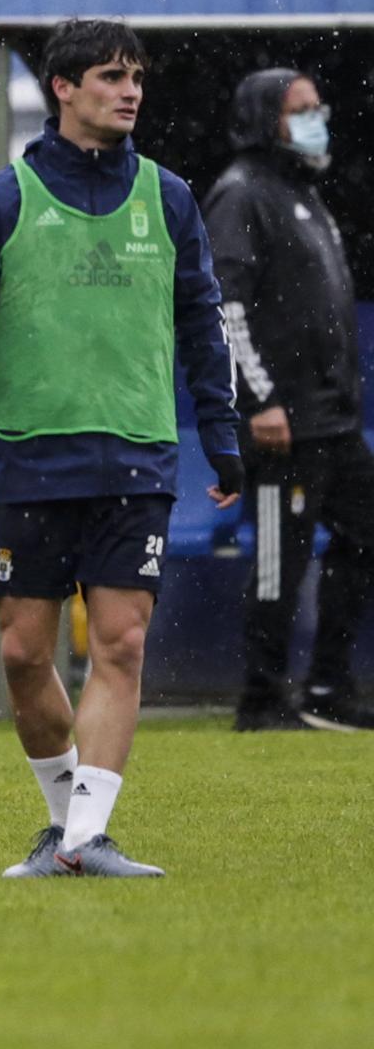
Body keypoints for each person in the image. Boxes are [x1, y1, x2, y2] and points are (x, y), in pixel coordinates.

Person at [0, 17, 242, 877]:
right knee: (24, 654)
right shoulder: (4, 198)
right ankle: (65, 827)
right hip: (29, 452)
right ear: (63, 88)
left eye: (136, 78)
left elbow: (204, 321)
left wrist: (223, 430)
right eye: (109, 77)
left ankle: (89, 837)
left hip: (137, 453)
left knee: (122, 642)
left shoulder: (167, 197)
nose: (129, 91)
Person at [206, 69, 374, 732]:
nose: (316, 118)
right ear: (263, 120)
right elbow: (227, 305)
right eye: (299, 110)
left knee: (367, 535)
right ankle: (262, 699)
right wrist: (260, 399)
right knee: (281, 561)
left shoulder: (303, 191)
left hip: (332, 422)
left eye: (317, 107)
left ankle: (329, 686)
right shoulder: (241, 194)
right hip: (282, 425)